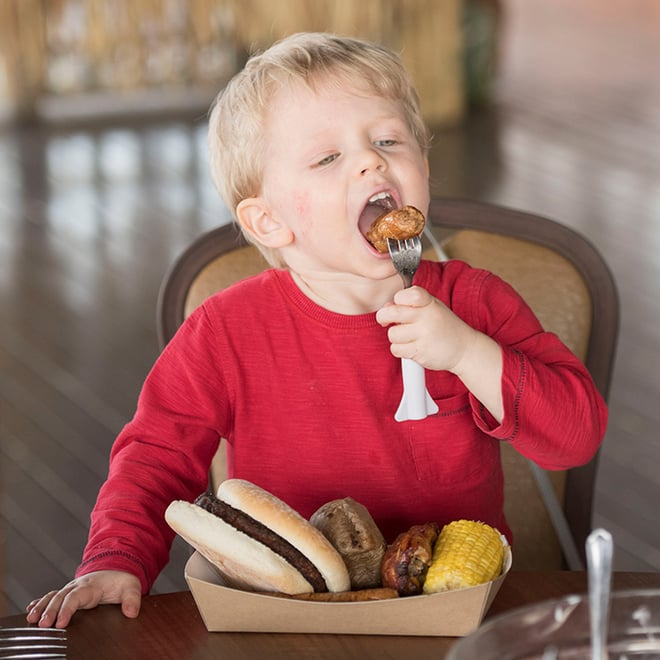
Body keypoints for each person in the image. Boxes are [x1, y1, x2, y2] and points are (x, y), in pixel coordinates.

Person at [26, 32, 607, 629]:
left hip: (450, 614)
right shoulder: (225, 331)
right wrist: (117, 558)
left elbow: (576, 436)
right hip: (286, 615)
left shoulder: (475, 303)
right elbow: (154, 457)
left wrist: (469, 353)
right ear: (269, 220)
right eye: (327, 158)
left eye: (387, 140)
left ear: (424, 169)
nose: (371, 161)